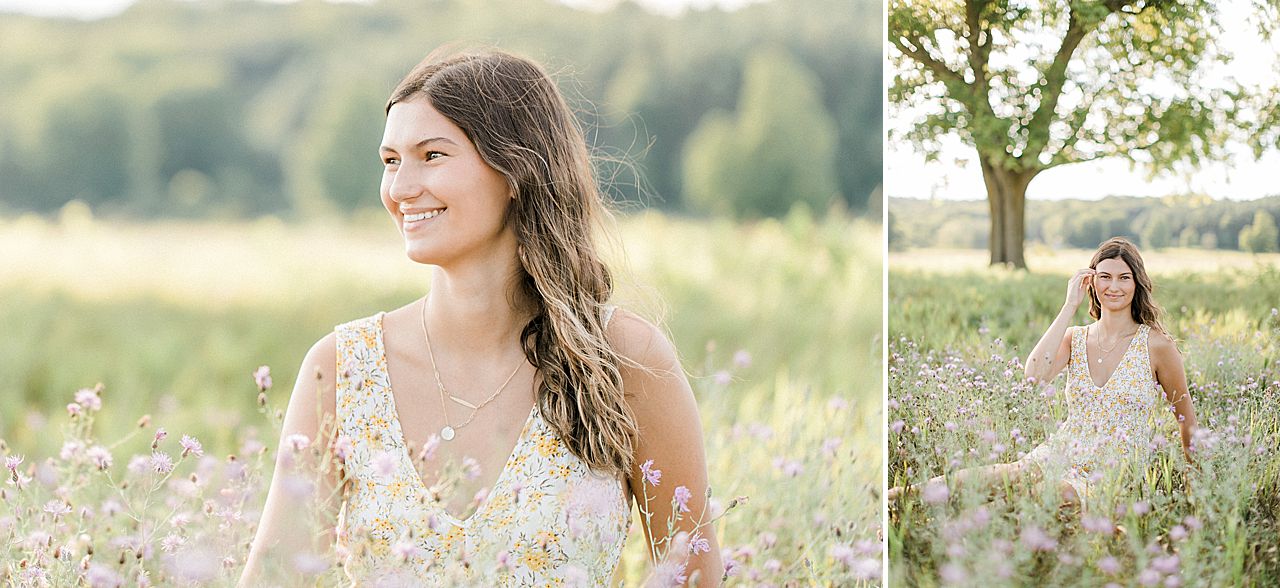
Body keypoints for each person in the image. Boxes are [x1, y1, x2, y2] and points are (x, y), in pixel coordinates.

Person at [241, 49, 722, 586]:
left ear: (515, 170)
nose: (400, 190)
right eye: (391, 160)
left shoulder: (624, 359)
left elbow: (692, 574)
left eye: (432, 155)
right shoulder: (340, 369)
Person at [889, 237, 1198, 506]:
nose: (1114, 287)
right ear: (1091, 282)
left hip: (1115, 471)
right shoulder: (1074, 338)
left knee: (1046, 496)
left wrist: (1193, 486)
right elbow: (1034, 376)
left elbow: (1186, 420)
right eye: (1105, 277)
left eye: (1124, 278)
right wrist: (1068, 307)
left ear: (1137, 283)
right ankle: (894, 503)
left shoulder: (1157, 346)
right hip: (1060, 452)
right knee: (983, 481)